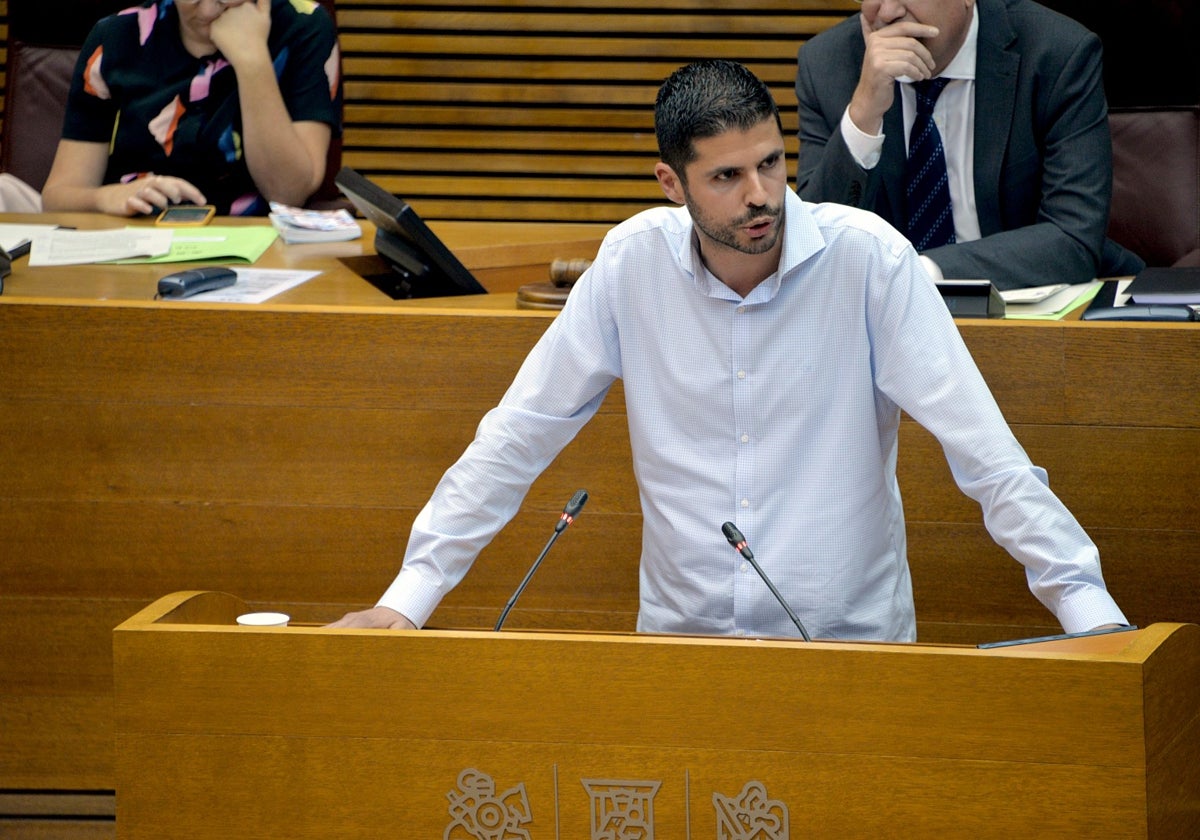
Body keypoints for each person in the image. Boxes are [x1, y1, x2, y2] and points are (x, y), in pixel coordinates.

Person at [329, 59, 1127, 641]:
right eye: (726, 177)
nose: (760, 196)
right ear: (670, 184)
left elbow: (986, 454)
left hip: (845, 649)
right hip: (683, 648)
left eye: (773, 164)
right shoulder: (632, 263)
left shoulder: (870, 263)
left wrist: (1089, 613)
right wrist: (411, 596)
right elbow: (517, 435)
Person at [795, 0, 1143, 291]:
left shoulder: (1055, 54)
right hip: (886, 338)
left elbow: (1073, 237)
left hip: (1034, 319)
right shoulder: (828, 65)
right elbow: (814, 251)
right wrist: (863, 115)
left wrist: (922, 272)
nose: (887, 11)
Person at [41, 0, 341, 217]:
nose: (210, 10)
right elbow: (58, 196)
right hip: (134, 242)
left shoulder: (304, 26)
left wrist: (252, 61)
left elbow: (288, 194)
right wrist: (106, 198)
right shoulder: (115, 37)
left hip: (259, 249)